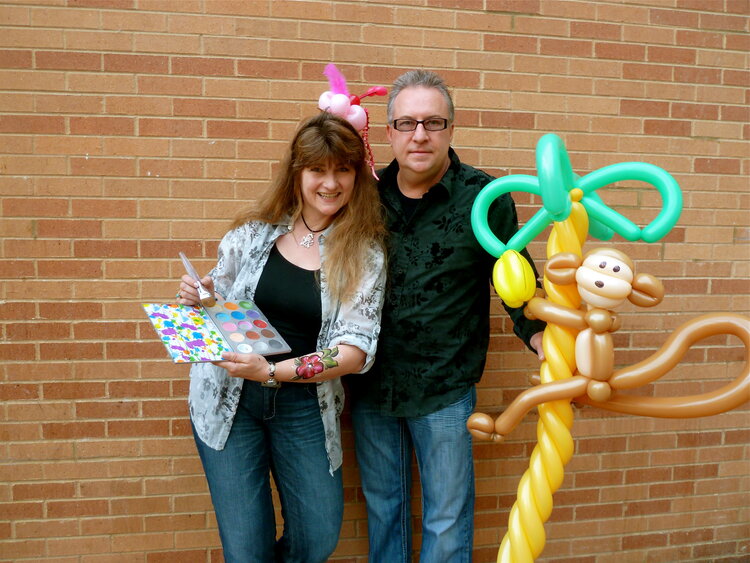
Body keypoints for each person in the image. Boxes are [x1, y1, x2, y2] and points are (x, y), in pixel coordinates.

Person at [348, 70, 545, 562]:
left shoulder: (486, 198)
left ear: (452, 129)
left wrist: (545, 341)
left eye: (433, 122)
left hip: (445, 388)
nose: (420, 135)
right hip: (370, 381)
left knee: (447, 516)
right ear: (388, 130)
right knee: (383, 509)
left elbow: (516, 284)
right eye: (407, 123)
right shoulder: (362, 195)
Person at [176, 111, 387, 563]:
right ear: (297, 173)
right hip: (229, 405)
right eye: (318, 169)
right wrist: (201, 295)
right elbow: (216, 307)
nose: (330, 183)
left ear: (356, 177)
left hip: (303, 408)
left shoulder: (364, 253)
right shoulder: (253, 235)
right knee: (247, 552)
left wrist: (271, 371)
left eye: (343, 170)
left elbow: (354, 351)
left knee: (318, 537)